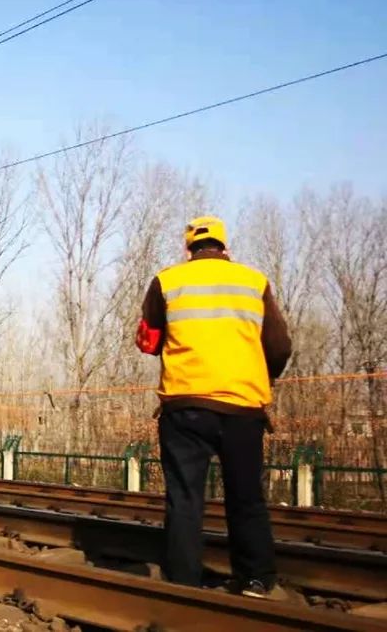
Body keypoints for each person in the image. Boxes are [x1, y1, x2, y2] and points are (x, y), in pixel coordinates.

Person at [136, 216, 292, 598]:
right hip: (243, 408)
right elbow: (280, 345)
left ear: (188, 249)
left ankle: (184, 581)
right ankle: (255, 579)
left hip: (186, 406)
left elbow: (147, 340)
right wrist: (259, 375)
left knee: (185, 497)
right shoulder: (254, 282)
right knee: (246, 496)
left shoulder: (167, 281)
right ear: (225, 247)